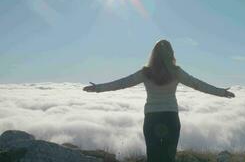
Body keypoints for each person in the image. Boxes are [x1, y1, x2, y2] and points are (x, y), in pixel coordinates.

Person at [83, 39, 235, 162]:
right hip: (170, 118)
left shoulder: (145, 72)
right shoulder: (176, 72)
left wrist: (98, 88)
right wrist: (221, 93)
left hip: (152, 118)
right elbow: (198, 85)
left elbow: (122, 83)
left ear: (153, 54)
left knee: (154, 157)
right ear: (171, 54)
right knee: (168, 157)